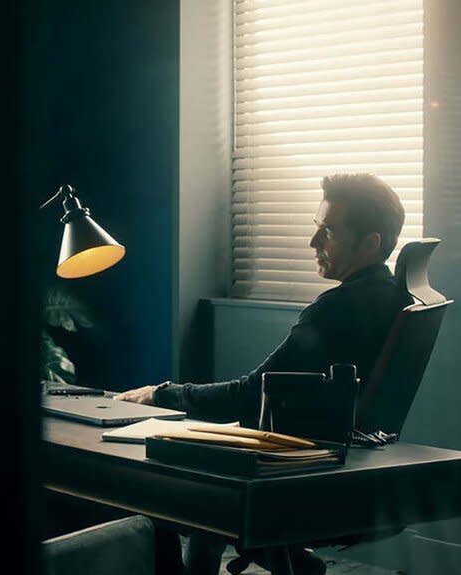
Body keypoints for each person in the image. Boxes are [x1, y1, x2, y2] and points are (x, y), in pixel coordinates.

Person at [115, 173, 411, 575]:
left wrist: (162, 393)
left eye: (328, 231)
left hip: (300, 475)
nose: (313, 243)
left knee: (170, 480)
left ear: (371, 243)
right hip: (349, 464)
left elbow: (247, 395)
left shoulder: (338, 310)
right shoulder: (395, 299)